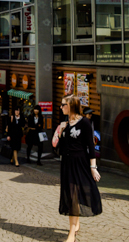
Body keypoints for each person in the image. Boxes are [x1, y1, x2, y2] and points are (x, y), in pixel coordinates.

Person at [54, 95, 102, 242]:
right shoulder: (65, 123)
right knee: (71, 196)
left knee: (75, 196)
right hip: (67, 164)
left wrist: (93, 167)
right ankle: (74, 225)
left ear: (71, 106)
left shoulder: (85, 123)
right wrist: (61, 132)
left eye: (63, 105)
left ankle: (71, 233)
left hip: (80, 163)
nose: (61, 107)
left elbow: (91, 146)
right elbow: (60, 147)